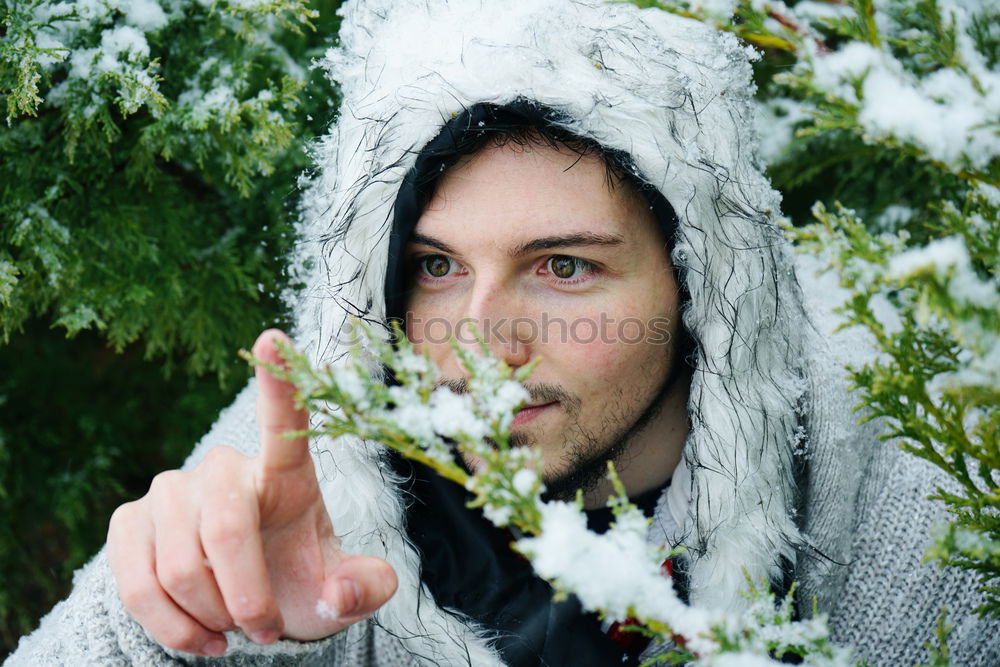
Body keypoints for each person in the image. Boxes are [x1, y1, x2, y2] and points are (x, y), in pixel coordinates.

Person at [8, 0, 999, 665]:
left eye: (563, 265)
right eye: (435, 266)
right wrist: (169, 624)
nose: (479, 342)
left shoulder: (921, 491)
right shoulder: (317, 450)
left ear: (703, 276)